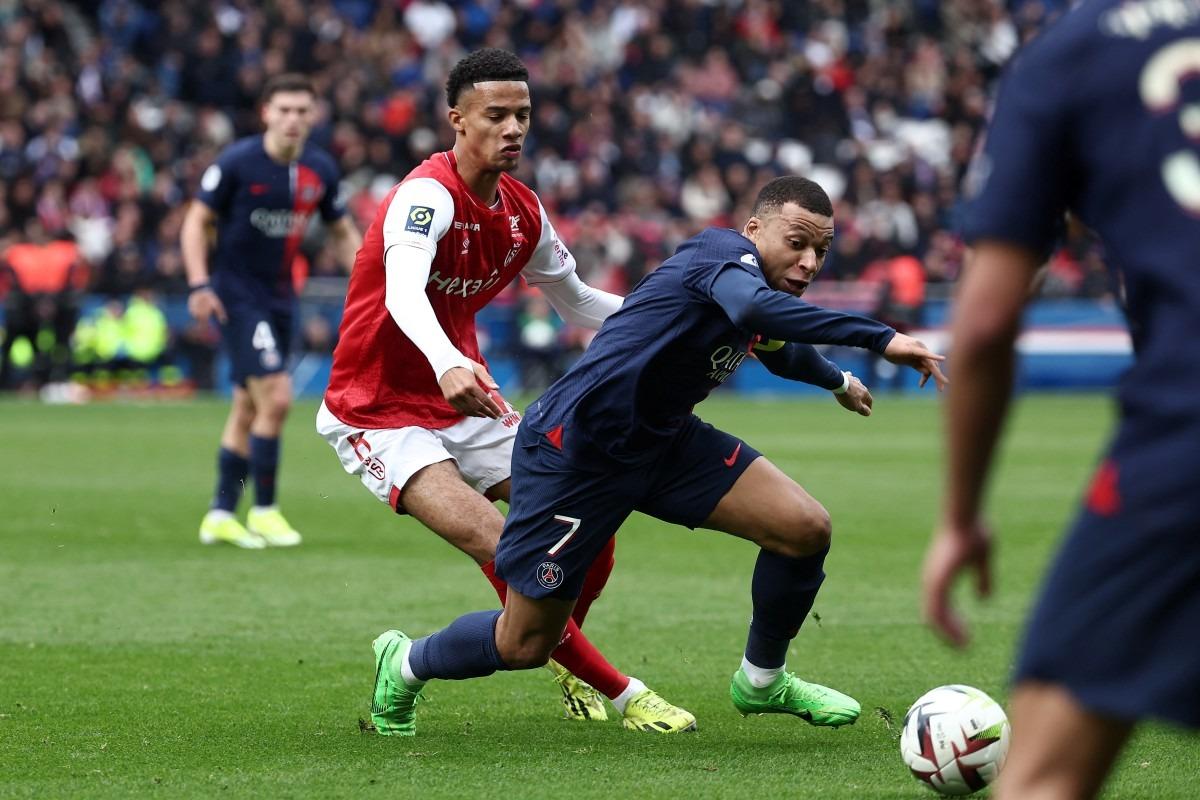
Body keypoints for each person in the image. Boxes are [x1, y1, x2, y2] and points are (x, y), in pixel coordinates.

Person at [366, 175, 947, 736]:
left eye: (821, 250)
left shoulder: (755, 290)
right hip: (576, 453)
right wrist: (880, 337)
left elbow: (776, 346)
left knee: (804, 527)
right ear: (753, 229)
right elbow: (754, 314)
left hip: (665, 442)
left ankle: (762, 681)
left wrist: (838, 381)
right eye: (797, 244)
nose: (809, 263)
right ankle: (406, 662)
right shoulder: (720, 257)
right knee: (525, 644)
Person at [316, 49, 694, 733]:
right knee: (504, 542)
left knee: (592, 521)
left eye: (522, 114)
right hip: (376, 412)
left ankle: (553, 647)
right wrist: (442, 361)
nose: (514, 127)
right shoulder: (425, 196)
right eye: (496, 114)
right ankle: (624, 690)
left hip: (465, 402)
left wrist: (678, 317)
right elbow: (403, 289)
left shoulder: (523, 212)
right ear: (457, 120)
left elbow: (576, 303)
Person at [921, 5, 1200, 798]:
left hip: (1184, 432)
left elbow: (981, 324)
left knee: (1043, 774)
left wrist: (959, 517)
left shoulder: (1071, 55)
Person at [182, 73, 361, 549]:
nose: (293, 119)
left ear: (314, 115)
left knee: (247, 407)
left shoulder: (319, 169)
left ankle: (220, 515)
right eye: (283, 109)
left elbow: (342, 231)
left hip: (284, 299)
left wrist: (374, 284)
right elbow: (196, 221)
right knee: (277, 399)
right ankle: (264, 510)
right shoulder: (238, 163)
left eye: (302, 111)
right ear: (265, 112)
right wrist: (199, 283)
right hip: (237, 296)